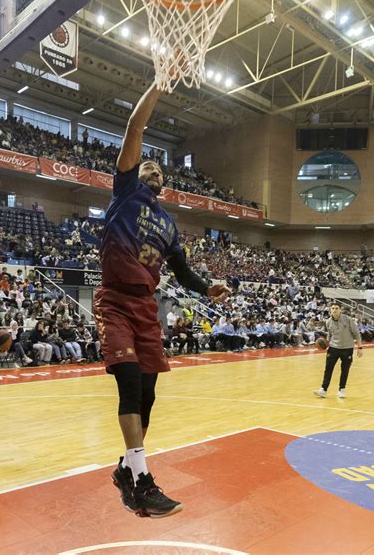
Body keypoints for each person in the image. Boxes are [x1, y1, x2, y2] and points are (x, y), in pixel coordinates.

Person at [94, 80, 230, 518]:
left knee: (147, 395)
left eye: (157, 171)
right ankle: (141, 480)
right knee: (130, 382)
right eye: (147, 165)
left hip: (146, 309)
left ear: (164, 185)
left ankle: (126, 469)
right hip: (115, 299)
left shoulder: (170, 225)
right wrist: (160, 83)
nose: (151, 171)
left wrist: (207, 287)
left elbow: (183, 272)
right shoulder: (126, 192)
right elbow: (136, 125)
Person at [314, 303, 363, 399]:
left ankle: (341, 389)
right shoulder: (328, 322)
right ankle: (323, 389)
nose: (335, 310)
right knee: (328, 369)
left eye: (337, 308)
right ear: (330, 310)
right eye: (333, 308)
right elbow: (330, 334)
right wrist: (326, 343)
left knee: (345, 370)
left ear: (340, 310)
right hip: (333, 348)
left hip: (347, 348)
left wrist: (359, 348)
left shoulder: (348, 320)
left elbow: (356, 334)